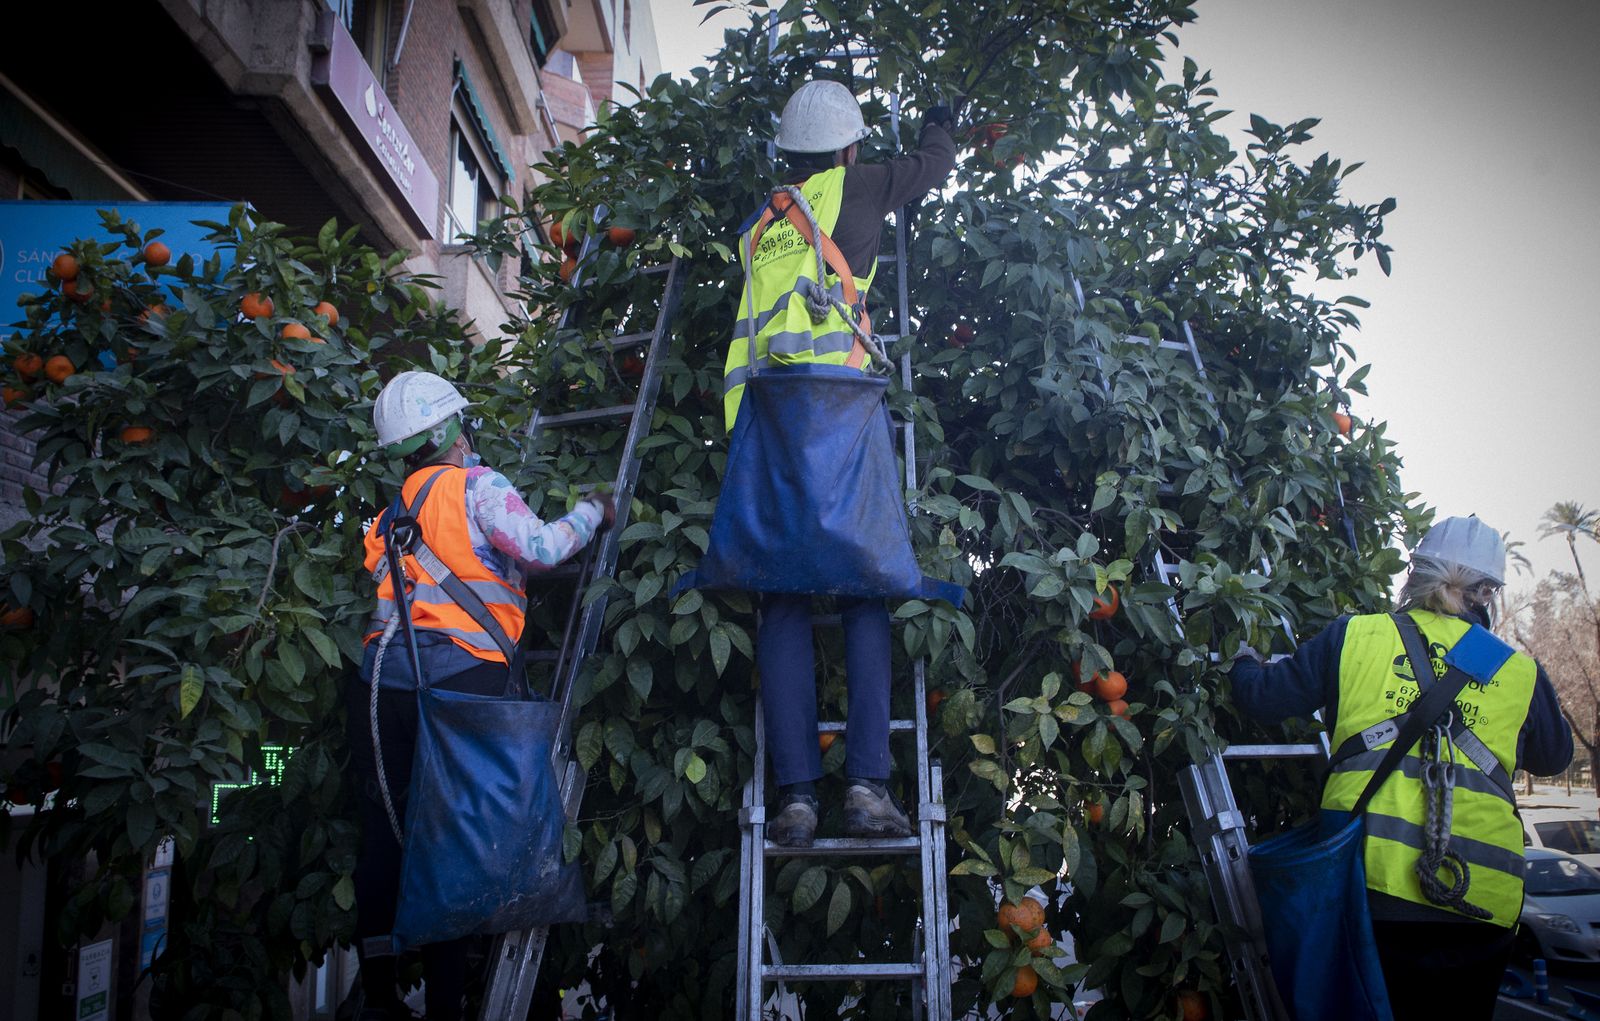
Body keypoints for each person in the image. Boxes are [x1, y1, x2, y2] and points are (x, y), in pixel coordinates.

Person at [722, 80, 957, 847]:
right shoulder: (858, 185)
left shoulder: (761, 226)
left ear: (788, 151)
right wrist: (941, 121)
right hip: (842, 414)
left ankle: (795, 798)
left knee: (783, 598)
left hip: (769, 427)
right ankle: (865, 785)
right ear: (849, 147)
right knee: (865, 588)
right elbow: (930, 167)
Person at [347, 370, 613, 1020]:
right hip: (463, 685)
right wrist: (594, 511)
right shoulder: (477, 486)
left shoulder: (391, 514)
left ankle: (380, 997)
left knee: (385, 834)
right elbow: (542, 548)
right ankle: (444, 1005)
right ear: (449, 430)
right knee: (455, 844)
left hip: (380, 685)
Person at [1231, 515, 1571, 1021]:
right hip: (1485, 905)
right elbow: (1554, 757)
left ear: (1415, 576)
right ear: (1487, 592)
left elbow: (1260, 698)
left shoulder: (1356, 637)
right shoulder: (1516, 669)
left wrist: (1243, 659)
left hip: (1373, 894)